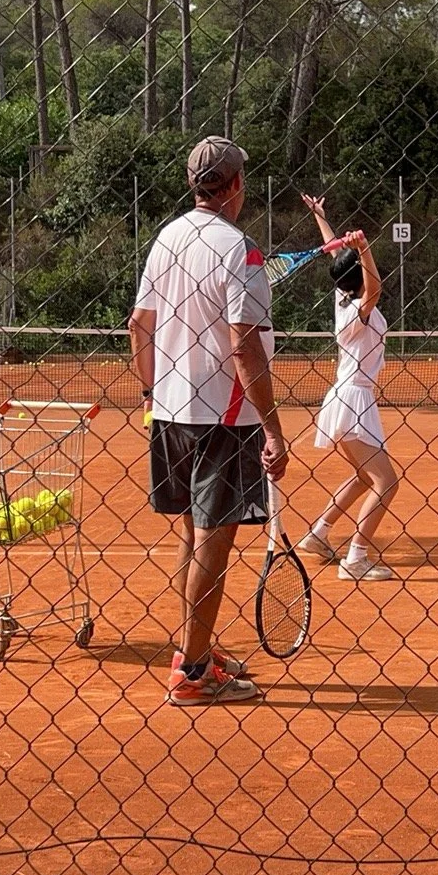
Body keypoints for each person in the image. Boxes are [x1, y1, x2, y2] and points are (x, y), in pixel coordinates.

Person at [128, 136, 289, 706]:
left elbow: (137, 325)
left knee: (193, 534)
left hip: (170, 412)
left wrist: (154, 393)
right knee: (213, 542)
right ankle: (194, 673)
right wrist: (271, 426)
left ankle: (194, 646)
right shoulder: (240, 250)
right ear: (237, 186)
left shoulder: (167, 237)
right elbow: (245, 344)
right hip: (223, 417)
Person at [297, 194, 398, 582]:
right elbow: (375, 288)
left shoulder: (342, 296)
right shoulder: (359, 307)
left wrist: (323, 219)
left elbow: (334, 259)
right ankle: (355, 557)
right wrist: (364, 247)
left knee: (363, 477)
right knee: (386, 483)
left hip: (346, 397)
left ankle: (319, 534)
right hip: (354, 398)